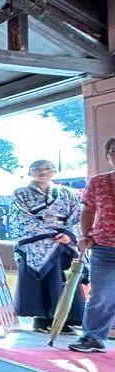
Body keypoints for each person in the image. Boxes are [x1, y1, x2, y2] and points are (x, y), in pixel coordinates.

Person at [10, 159, 83, 334]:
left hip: (64, 243)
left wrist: (69, 235)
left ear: (54, 172)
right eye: (37, 169)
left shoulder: (67, 193)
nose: (42, 172)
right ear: (29, 172)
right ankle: (40, 318)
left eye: (47, 169)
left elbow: (78, 216)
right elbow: (20, 218)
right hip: (35, 242)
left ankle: (64, 319)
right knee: (39, 282)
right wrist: (48, 235)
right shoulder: (20, 193)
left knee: (65, 280)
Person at [69, 137, 115, 352]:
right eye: (113, 151)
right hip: (103, 247)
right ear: (108, 157)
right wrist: (85, 235)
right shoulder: (98, 182)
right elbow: (88, 210)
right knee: (101, 295)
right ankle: (92, 337)